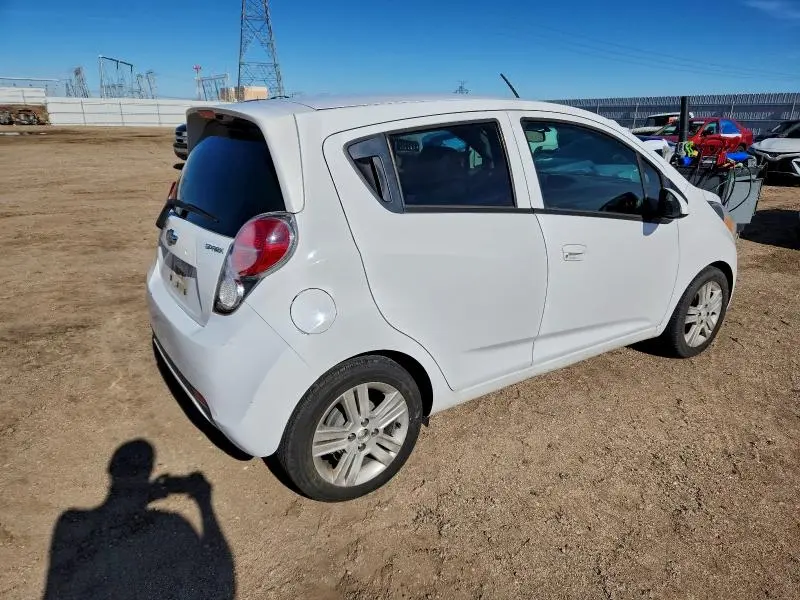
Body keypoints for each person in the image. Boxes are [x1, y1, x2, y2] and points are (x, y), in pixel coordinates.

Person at [42, 439, 235, 600]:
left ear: (110, 469)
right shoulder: (171, 528)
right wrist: (204, 503)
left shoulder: (71, 524)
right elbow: (222, 588)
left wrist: (141, 496)